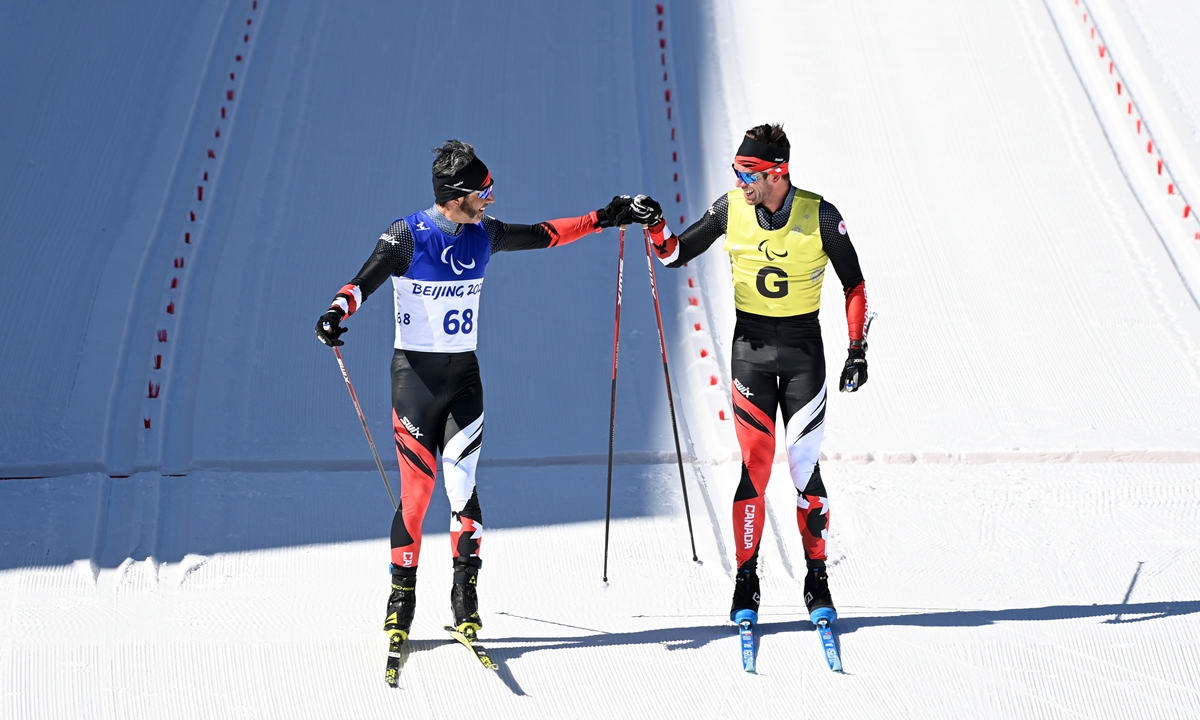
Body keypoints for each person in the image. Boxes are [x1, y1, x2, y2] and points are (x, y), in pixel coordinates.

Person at [315, 140, 634, 642]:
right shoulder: (407, 236)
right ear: (455, 195)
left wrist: (604, 217)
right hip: (415, 381)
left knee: (461, 486)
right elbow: (362, 283)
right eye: (484, 190)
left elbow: (547, 235)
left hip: (464, 380)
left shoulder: (484, 234)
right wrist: (335, 313)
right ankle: (402, 597)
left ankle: (466, 597)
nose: (491, 199)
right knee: (417, 497)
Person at [632, 123, 869, 629]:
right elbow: (674, 253)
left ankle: (817, 576)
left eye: (749, 172)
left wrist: (857, 349)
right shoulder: (730, 208)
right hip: (751, 355)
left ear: (777, 172)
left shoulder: (820, 214)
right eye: (736, 170)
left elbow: (855, 284)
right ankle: (746, 578)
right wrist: (654, 224)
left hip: (805, 355)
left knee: (804, 468)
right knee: (755, 467)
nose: (740, 181)